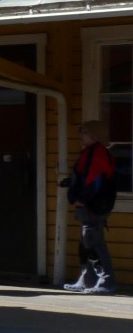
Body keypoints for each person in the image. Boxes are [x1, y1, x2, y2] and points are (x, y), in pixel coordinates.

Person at [63, 119, 118, 295]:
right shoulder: (90, 153)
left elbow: (95, 181)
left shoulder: (97, 154)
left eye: (85, 133)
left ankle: (106, 281)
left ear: (95, 136)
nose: (81, 136)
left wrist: (81, 199)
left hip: (94, 206)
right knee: (87, 242)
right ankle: (87, 279)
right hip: (92, 205)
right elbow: (85, 177)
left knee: (93, 242)